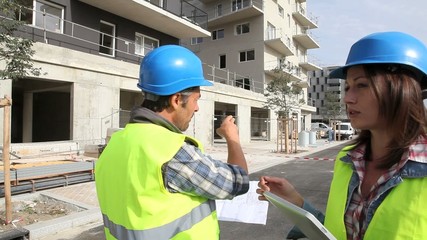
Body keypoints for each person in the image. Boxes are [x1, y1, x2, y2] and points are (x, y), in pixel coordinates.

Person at [257, 31, 427, 240]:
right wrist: (296, 202)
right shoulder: (347, 159)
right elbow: (339, 231)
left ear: (402, 88)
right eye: (347, 87)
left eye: (361, 85)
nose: (347, 98)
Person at [95, 45, 249, 240]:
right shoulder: (173, 153)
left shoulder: (114, 144)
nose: (197, 108)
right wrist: (232, 138)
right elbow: (238, 182)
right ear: (177, 99)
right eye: (196, 99)